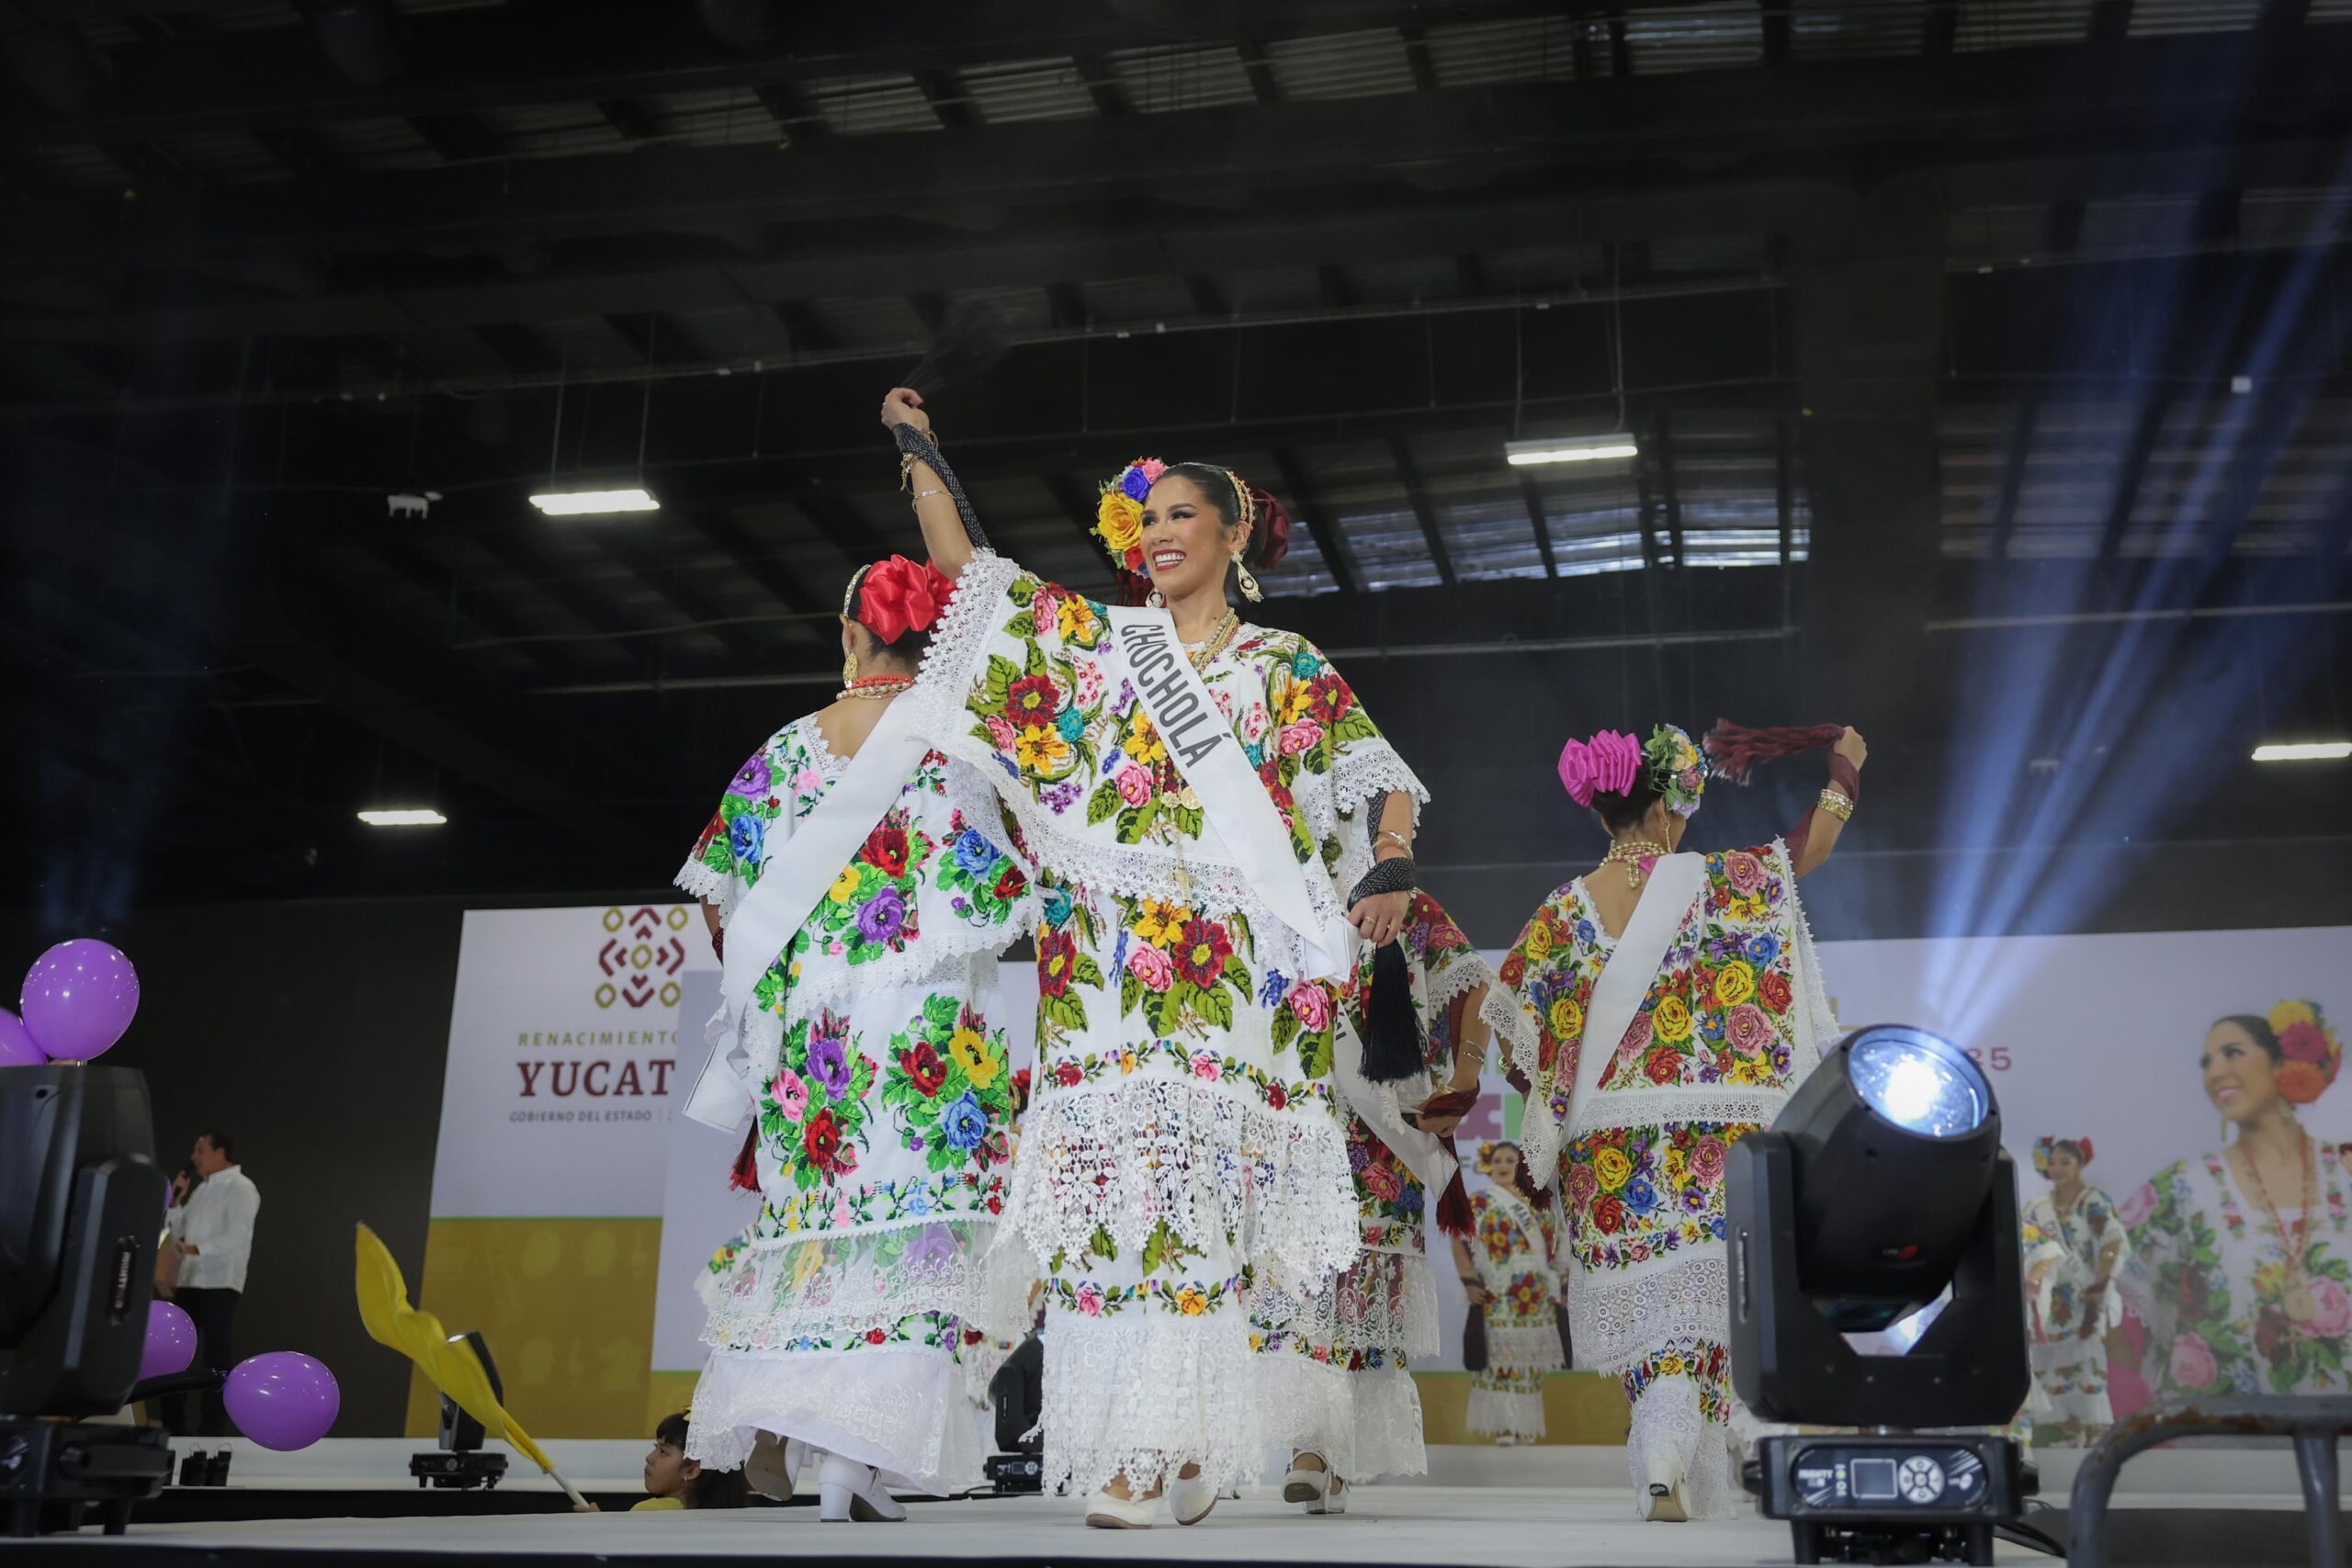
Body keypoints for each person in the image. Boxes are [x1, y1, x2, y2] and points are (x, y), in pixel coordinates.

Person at [879, 388, 1426, 1528]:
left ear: (1234, 534)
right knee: (1115, 1206)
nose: (1162, 532)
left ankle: (1158, 1445)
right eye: (1151, 517)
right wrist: (920, 453)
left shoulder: (1282, 662)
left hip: (1233, 975)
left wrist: (1387, 862)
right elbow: (971, 581)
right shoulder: (1098, 649)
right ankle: (1165, 1443)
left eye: (1185, 514)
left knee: (1196, 1208)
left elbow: (1376, 773)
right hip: (1102, 970)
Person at [675, 558, 1035, 1523]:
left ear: (849, 634)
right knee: (920, 1228)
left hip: (816, 1039)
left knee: (817, 1229)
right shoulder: (958, 742)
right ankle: (855, 1456)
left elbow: (721, 905)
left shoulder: (786, 750)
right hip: (929, 1029)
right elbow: (1022, 873)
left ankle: (800, 1428)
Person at [1499, 720, 1862, 1520]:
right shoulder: (1719, 882)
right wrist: (1846, 769)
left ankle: (1663, 1453)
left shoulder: (1560, 912)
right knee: (1710, 1307)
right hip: (1712, 1141)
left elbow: (1515, 1031)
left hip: (1606, 1155)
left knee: (1656, 1319)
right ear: (1667, 809)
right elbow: (1808, 846)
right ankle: (1721, 1443)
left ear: (1602, 812)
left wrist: (1554, 1106)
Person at [1257, 890, 1499, 1512]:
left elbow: (1476, 984)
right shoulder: (1276, 890)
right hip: (1295, 1128)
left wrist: (1466, 1076)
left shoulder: (1407, 906)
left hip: (1383, 1142)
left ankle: (1327, 1453)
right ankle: (1312, 1446)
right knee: (1303, 1286)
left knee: (1360, 1293)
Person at [2120, 1000, 2349, 1400]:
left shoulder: (2344, 1173)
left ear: (2282, 1063)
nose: (2215, 1073)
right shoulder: (2182, 1189)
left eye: (2232, 1053)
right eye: (2206, 1062)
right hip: (2217, 1437)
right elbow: (2106, 1303)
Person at [2021, 1136, 2130, 1443]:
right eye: (2053, 1162)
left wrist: (2100, 1282)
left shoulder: (2094, 1202)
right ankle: (2054, 1437)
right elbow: (2025, 1243)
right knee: (2045, 1369)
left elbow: (2112, 1241)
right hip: (2047, 1304)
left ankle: (2089, 1438)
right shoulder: (2038, 1206)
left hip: (2084, 1301)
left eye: (2065, 1162)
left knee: (2085, 1370)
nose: (2057, 1168)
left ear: (2080, 1164)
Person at [1455, 1141, 1564, 1448]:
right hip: (1498, 1294)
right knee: (1499, 1359)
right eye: (1498, 1160)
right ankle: (1504, 1425)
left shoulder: (1539, 1202)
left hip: (1536, 1296)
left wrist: (1562, 1284)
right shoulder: (1479, 1202)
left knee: (1529, 1361)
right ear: (1489, 1165)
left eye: (1510, 1160)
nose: (1503, 1165)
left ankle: (1525, 1426)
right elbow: (1459, 1240)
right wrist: (1469, 1280)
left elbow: (1557, 1245)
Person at [165, 1131, 260, 1436]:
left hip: (220, 1281)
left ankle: (212, 1426)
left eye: (201, 1149)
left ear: (221, 1153)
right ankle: (172, 1424)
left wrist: (196, 1249)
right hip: (189, 1279)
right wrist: (176, 1200)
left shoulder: (242, 1188)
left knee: (216, 1355)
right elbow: (175, 1230)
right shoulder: (200, 1190)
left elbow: (237, 1237)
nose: (194, 1157)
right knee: (178, 1352)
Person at [636, 1413, 750, 1511]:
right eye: (655, 1447)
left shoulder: (650, 1511)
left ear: (691, 1470)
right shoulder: (724, 1518)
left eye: (663, 1451)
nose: (649, 1458)